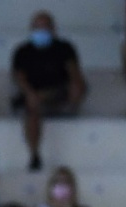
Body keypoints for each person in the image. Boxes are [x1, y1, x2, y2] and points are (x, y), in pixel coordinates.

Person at [11, 11, 86, 172]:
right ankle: (34, 154)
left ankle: (69, 110)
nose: (41, 31)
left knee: (76, 87)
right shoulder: (22, 51)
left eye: (45, 27)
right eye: (37, 27)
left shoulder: (64, 48)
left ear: (53, 29)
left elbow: (74, 73)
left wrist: (76, 88)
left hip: (59, 93)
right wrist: (31, 94)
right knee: (32, 108)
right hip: (32, 97)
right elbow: (19, 78)